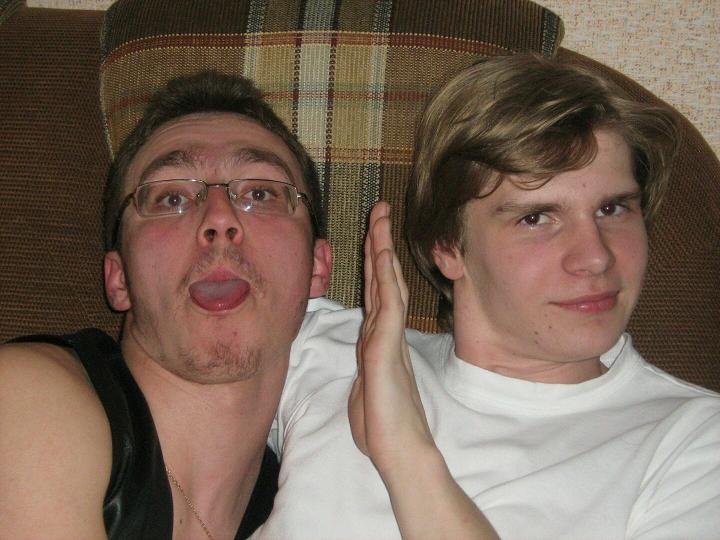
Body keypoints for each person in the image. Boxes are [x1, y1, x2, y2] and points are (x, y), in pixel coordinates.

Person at [253, 53, 720, 539]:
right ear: (448, 246)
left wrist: (404, 450)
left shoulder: (693, 446)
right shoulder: (328, 351)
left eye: (613, 209)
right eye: (536, 218)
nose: (595, 257)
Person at [0, 71, 333, 539]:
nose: (219, 219)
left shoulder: (318, 496)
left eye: (260, 193)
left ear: (317, 267)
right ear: (119, 279)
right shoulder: (30, 396)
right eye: (172, 197)